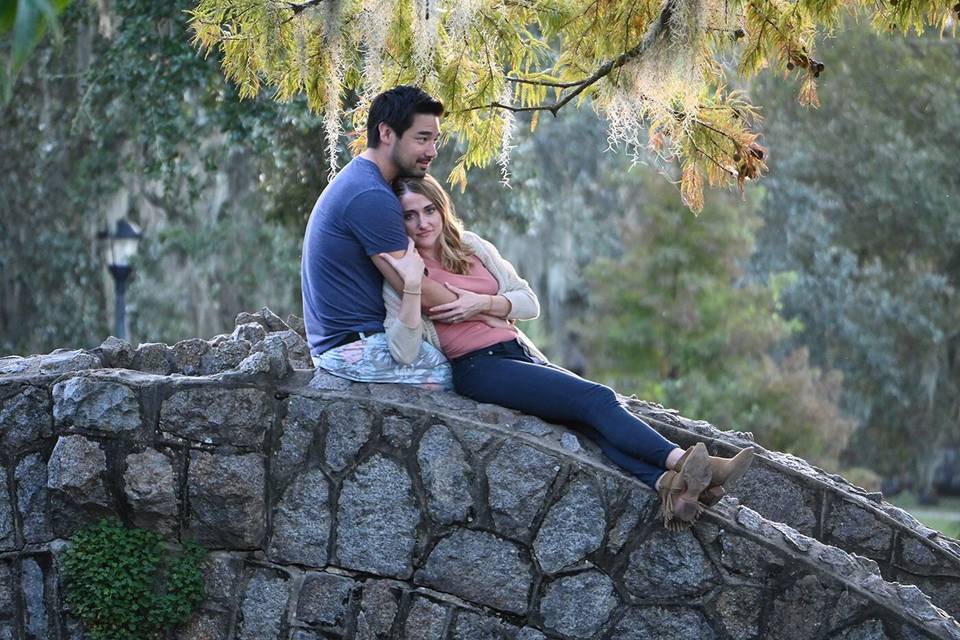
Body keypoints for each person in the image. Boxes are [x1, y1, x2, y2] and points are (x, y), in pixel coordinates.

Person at [379, 175, 755, 529]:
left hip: (517, 354)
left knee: (585, 421)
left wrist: (483, 304)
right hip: (479, 369)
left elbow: (528, 302)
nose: (423, 223)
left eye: (429, 210)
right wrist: (412, 285)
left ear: (442, 209)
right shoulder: (403, 274)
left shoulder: (473, 247)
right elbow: (404, 350)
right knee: (597, 398)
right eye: (409, 216)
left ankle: (668, 486)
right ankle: (686, 462)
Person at [301, 85, 463, 387]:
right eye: (422, 139)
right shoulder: (370, 195)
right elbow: (418, 291)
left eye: (434, 140)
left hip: (359, 341)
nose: (432, 151)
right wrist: (475, 304)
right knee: (469, 376)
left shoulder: (367, 181)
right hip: (354, 349)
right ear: (387, 133)